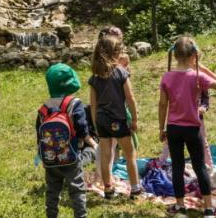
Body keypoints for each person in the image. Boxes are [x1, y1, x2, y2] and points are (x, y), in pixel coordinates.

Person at [158, 36, 216, 218]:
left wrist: (161, 128)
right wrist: (202, 68)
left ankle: (180, 206)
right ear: (193, 55)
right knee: (199, 167)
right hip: (193, 129)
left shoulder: (167, 76)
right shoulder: (198, 75)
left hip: (173, 128)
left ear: (175, 55)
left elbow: (162, 105)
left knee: (178, 167)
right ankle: (209, 209)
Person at [36, 63, 97, 218]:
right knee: (77, 189)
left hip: (50, 158)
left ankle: (51, 215)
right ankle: (80, 215)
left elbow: (39, 133)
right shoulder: (74, 104)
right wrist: (93, 143)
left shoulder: (44, 108)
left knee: (52, 191)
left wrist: (40, 154)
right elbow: (83, 129)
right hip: (71, 156)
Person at [88, 34, 141, 199]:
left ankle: (108, 189)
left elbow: (93, 104)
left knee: (105, 154)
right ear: (115, 53)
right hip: (118, 120)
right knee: (130, 153)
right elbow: (130, 98)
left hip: (102, 120)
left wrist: (96, 123)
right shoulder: (120, 73)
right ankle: (135, 189)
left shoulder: (94, 77)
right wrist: (134, 118)